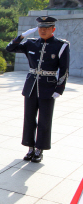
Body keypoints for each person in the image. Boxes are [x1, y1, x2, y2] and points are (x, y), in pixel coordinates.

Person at [6, 16, 69, 163]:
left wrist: (59, 88)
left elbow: (64, 69)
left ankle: (39, 149)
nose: (43, 31)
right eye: (41, 28)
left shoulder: (61, 45)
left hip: (48, 87)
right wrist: (22, 35)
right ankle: (30, 148)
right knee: (29, 118)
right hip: (31, 86)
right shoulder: (30, 43)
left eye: (47, 28)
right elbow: (10, 48)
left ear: (53, 29)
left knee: (44, 120)